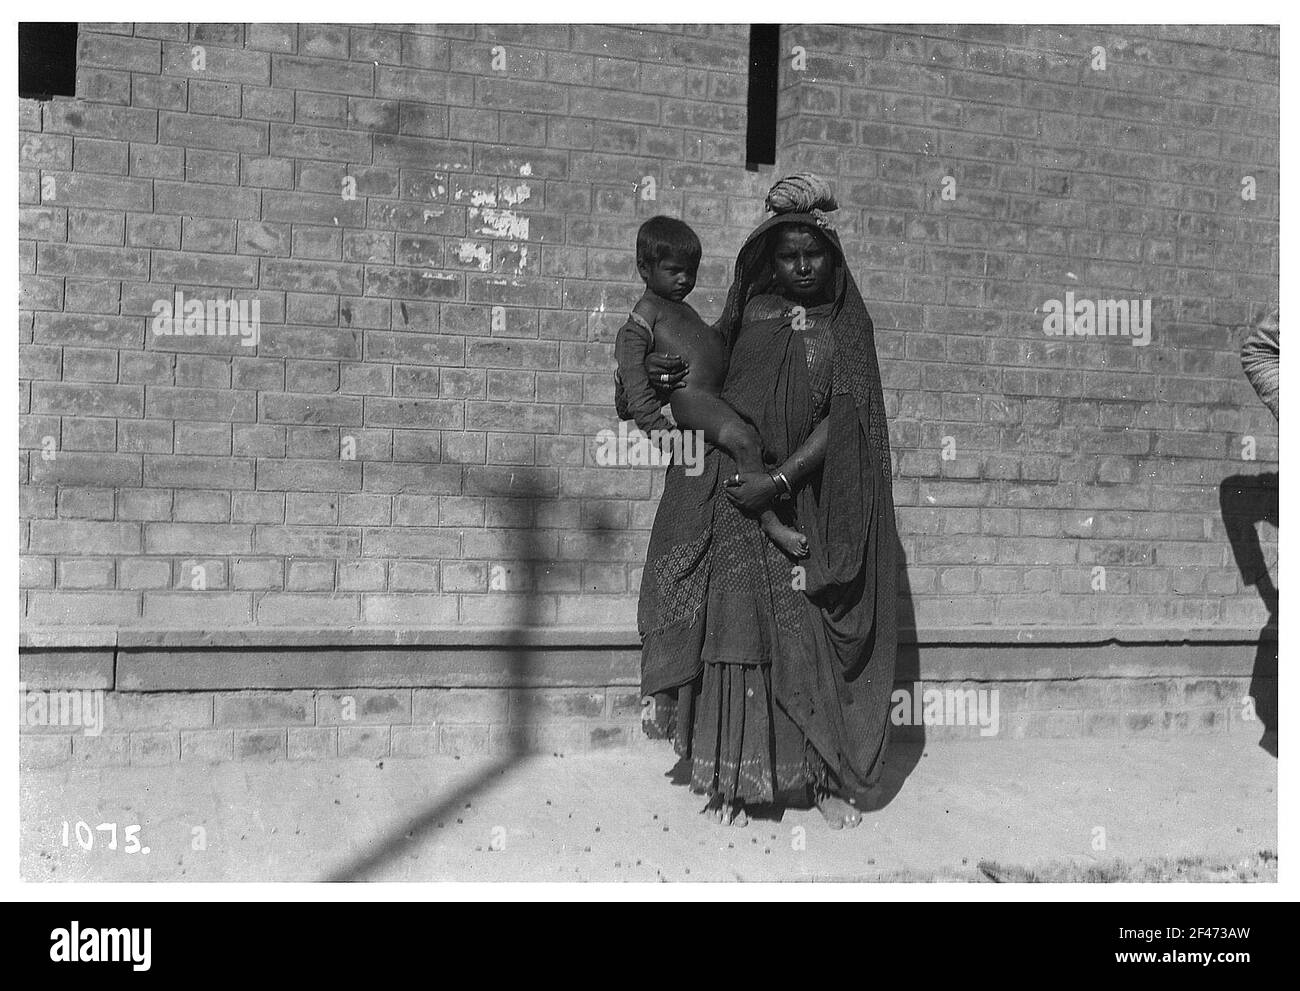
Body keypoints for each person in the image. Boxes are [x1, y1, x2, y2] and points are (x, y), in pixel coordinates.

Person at [622, 174, 899, 829]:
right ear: (766, 260)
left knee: (806, 644)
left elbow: (846, 421)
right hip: (729, 495)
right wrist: (655, 376)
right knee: (736, 635)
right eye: (787, 253)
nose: (801, 264)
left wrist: (777, 484)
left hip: (803, 502)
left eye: (813, 252)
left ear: (832, 258)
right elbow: (695, 377)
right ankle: (733, 784)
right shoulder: (745, 314)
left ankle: (821, 781)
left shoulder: (844, 328)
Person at [613, 216, 808, 558]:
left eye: (691, 271)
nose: (685, 279)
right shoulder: (643, 317)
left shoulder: (681, 309)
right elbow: (634, 390)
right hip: (694, 402)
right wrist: (665, 436)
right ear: (645, 269)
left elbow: (714, 337)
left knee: (751, 438)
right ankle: (771, 522)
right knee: (745, 439)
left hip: (711, 402)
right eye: (674, 270)